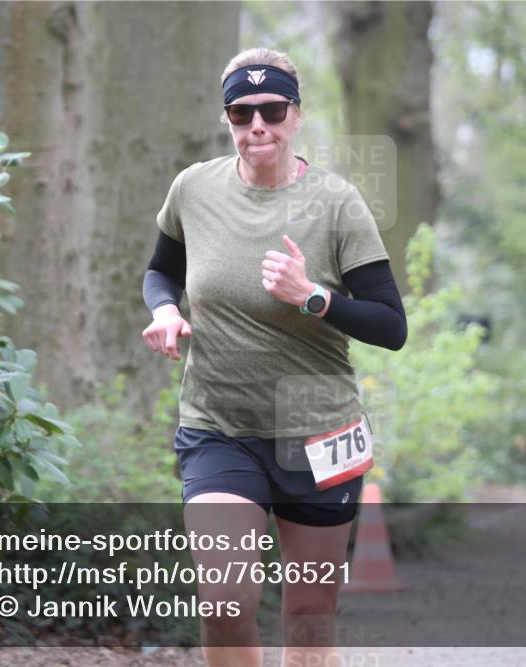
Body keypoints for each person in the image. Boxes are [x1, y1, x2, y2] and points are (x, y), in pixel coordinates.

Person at [141, 48, 407, 667]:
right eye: (241, 112)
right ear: (227, 118)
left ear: (296, 116)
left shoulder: (338, 203)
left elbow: (391, 326)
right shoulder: (194, 188)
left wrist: (312, 297)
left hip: (318, 432)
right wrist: (164, 310)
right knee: (224, 601)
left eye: (272, 109)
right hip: (219, 427)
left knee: (310, 617)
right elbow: (161, 272)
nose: (256, 125)